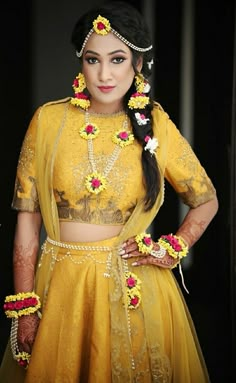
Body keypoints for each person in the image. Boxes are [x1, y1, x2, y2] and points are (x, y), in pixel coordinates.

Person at [0, 1, 218, 382]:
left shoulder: (156, 125)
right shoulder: (48, 121)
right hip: (61, 285)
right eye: (92, 59)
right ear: (80, 63)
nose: (104, 73)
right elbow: (27, 221)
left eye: (117, 59)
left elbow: (206, 201)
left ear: (137, 65)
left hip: (132, 287)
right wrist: (25, 305)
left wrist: (172, 249)